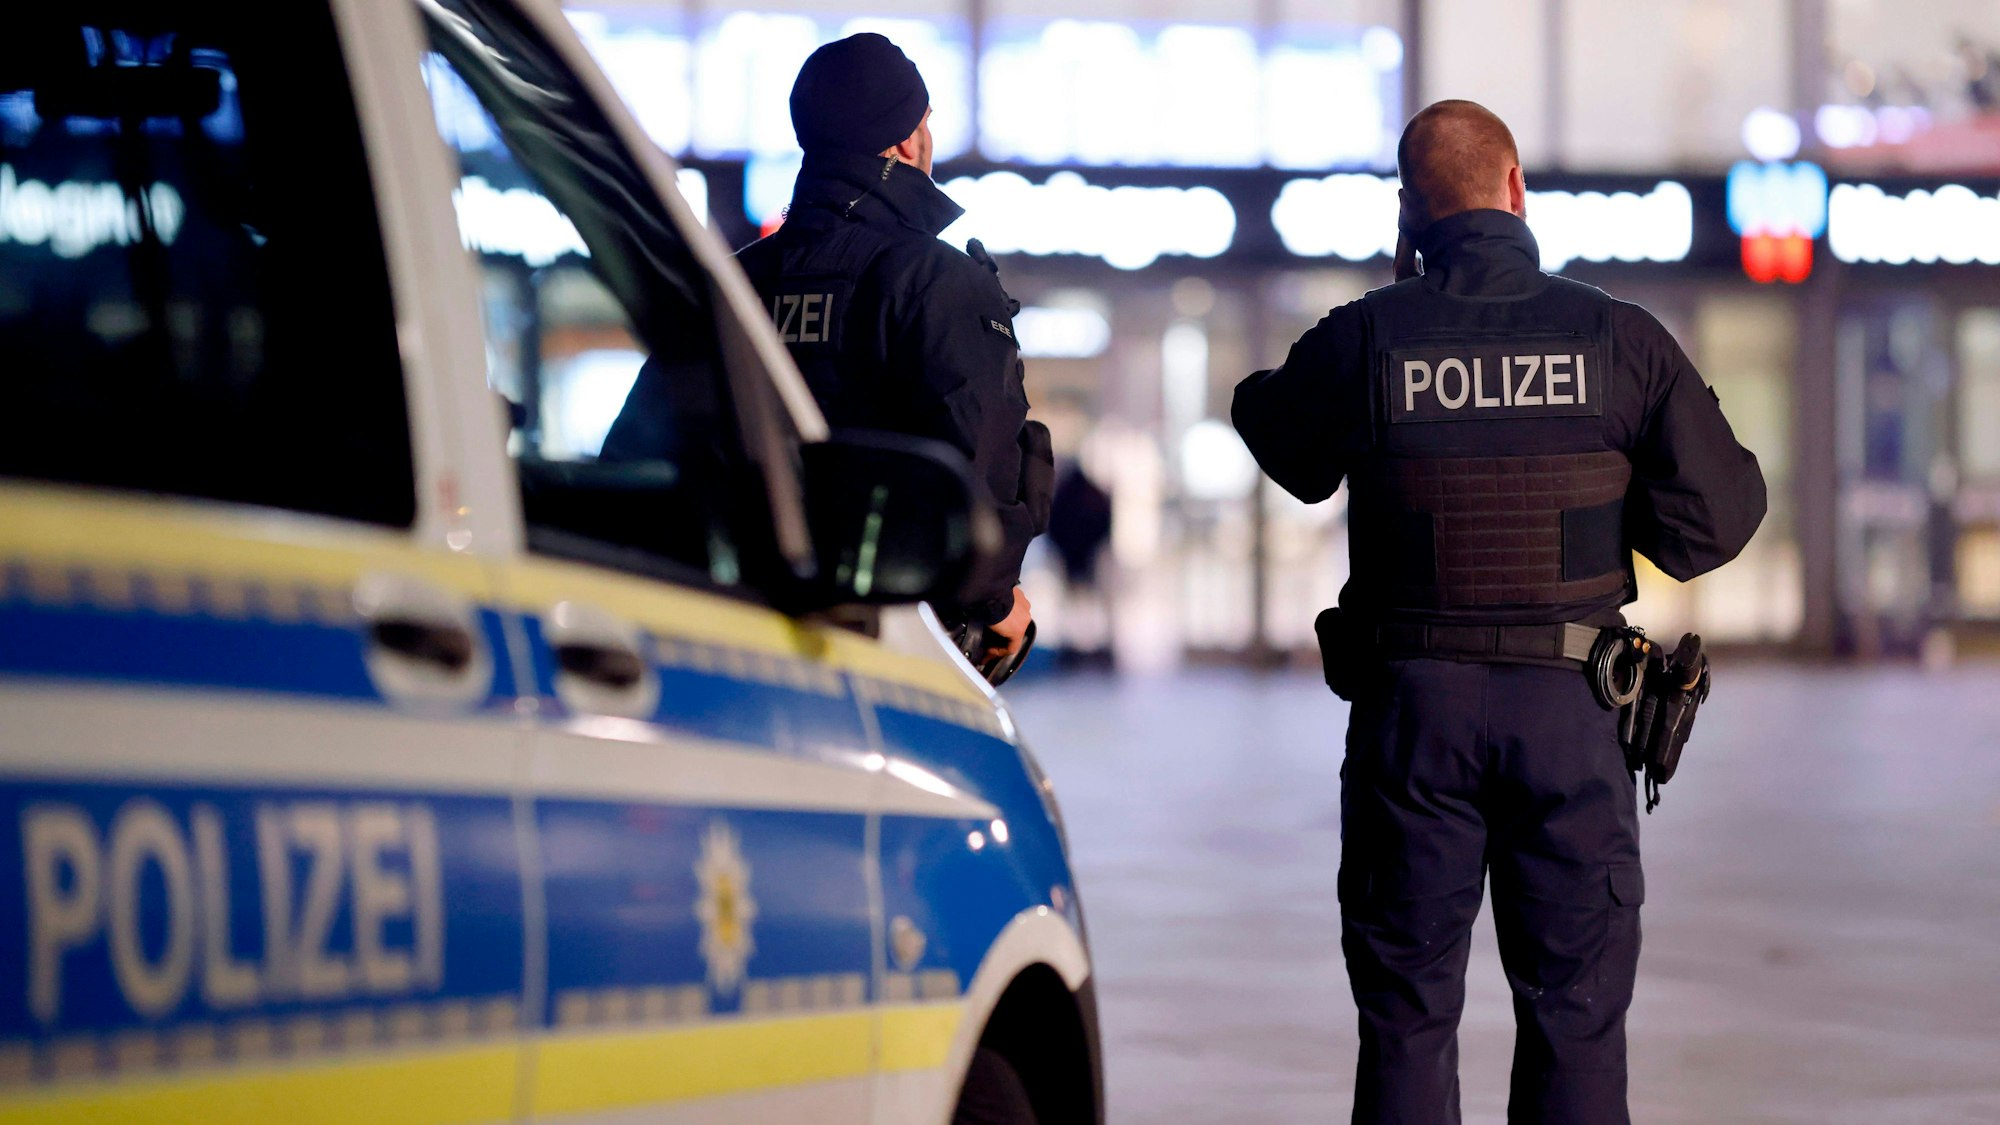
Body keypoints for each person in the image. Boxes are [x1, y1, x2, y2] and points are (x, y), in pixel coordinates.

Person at [1232, 100, 1766, 1124]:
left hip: (1411, 722)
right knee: (1574, 1019)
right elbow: (1719, 517)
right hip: (1573, 710)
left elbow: (1271, 427)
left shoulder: (1367, 336)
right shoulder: (1617, 337)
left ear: (1407, 212)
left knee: (1405, 1018)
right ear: (1516, 189)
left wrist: (1394, 303)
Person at [738, 32, 1050, 660]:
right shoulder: (936, 279)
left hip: (733, 611)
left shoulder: (737, 280)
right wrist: (998, 602)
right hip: (887, 635)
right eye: (926, 121)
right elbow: (974, 458)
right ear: (908, 139)